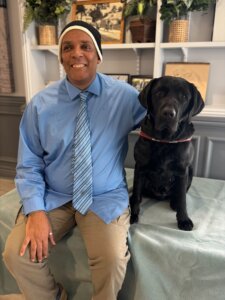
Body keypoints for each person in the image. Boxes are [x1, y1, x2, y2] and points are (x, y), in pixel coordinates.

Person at [3, 20, 146, 300]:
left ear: (98, 55)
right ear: (61, 57)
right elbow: (28, 164)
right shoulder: (40, 105)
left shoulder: (126, 97)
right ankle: (53, 296)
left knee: (112, 258)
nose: (76, 54)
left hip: (103, 196)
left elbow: (158, 125)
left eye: (85, 47)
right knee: (16, 253)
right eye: (68, 48)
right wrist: (35, 211)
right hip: (54, 196)